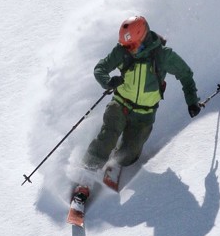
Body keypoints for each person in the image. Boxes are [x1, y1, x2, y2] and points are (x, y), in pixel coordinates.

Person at [80, 15, 201, 177]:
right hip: (121, 104)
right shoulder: (122, 51)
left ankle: (114, 163)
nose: (128, 49)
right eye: (126, 45)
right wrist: (107, 82)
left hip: (144, 114)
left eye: (132, 46)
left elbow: (186, 75)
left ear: (143, 39)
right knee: (109, 134)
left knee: (129, 154)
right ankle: (87, 171)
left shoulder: (163, 56)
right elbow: (100, 68)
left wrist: (192, 101)